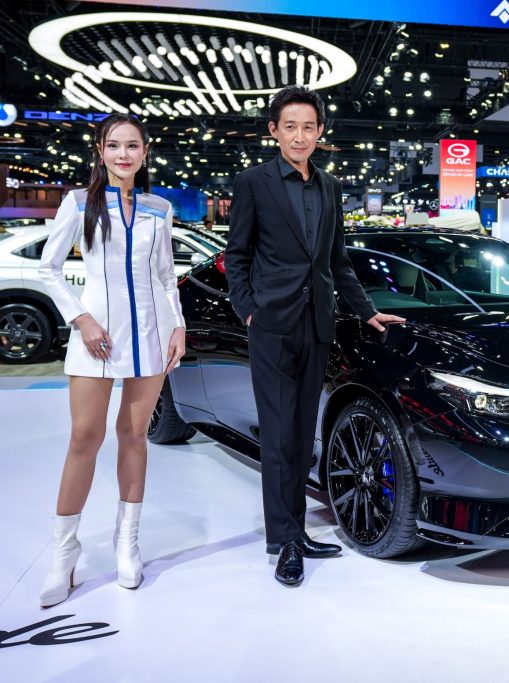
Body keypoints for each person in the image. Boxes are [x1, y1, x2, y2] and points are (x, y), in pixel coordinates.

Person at [225, 86, 404, 586]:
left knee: (304, 438)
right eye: (290, 127)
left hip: (317, 324)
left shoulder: (329, 186)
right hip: (272, 325)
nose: (300, 136)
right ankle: (283, 541)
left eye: (308, 127)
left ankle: (299, 532)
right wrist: (248, 309)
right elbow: (237, 255)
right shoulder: (253, 182)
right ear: (274, 131)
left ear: (320, 132)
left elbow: (336, 261)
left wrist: (367, 311)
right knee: (278, 437)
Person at [37, 114, 186, 607]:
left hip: (149, 335)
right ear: (100, 151)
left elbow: (165, 276)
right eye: (114, 145)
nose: (124, 154)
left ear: (145, 152)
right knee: (84, 437)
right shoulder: (79, 203)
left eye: (133, 145)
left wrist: (178, 325)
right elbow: (49, 268)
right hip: (95, 338)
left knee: (134, 435)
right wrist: (81, 320)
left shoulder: (159, 209)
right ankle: (64, 552)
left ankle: (127, 544)